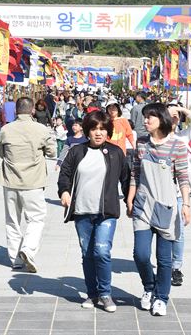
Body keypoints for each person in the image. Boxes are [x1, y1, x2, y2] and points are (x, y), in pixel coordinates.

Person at [58, 111, 129, 313]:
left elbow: (126, 179)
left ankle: (105, 293)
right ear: (88, 130)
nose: (98, 133)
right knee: (87, 254)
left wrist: (131, 202)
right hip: (82, 211)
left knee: (102, 251)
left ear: (108, 132)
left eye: (103, 129)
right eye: (94, 129)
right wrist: (64, 191)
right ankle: (92, 293)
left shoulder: (116, 153)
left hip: (107, 212)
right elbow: (65, 174)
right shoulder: (77, 151)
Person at [127, 103, 191, 317]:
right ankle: (149, 286)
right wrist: (130, 197)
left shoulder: (177, 145)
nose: (145, 121)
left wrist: (187, 205)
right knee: (141, 254)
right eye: (145, 117)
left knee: (164, 260)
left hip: (166, 207)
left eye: (149, 117)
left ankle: (161, 298)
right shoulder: (142, 143)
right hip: (143, 206)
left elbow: (183, 177)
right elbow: (135, 172)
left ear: (161, 119)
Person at [0, 97, 57, 272]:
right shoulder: (41, 129)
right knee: (36, 218)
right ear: (32, 111)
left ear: (15, 111)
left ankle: (15, 258)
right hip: (34, 181)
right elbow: (52, 152)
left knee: (12, 220)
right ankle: (28, 249)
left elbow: (1, 153)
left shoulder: (5, 129)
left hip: (10, 180)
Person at [167, 104, 191, 287]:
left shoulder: (183, 136)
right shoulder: (155, 138)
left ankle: (176, 267)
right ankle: (164, 263)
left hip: (179, 192)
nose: (173, 117)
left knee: (179, 231)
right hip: (159, 192)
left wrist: (183, 110)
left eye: (176, 116)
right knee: (162, 231)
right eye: (169, 114)